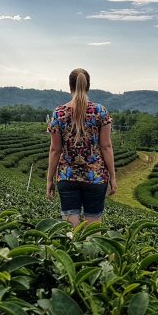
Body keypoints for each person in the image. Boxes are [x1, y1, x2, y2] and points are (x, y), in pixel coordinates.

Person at [46, 68, 117, 227]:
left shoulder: (59, 113)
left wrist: (49, 179)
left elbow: (55, 150)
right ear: (88, 85)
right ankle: (92, 252)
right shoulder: (100, 111)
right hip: (95, 176)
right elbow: (106, 146)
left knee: (71, 231)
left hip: (67, 176)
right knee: (93, 231)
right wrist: (112, 177)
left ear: (70, 86)